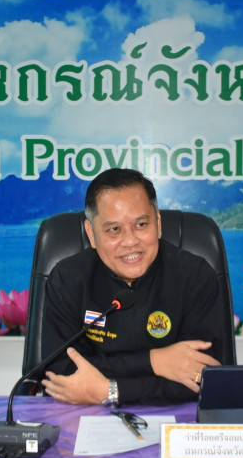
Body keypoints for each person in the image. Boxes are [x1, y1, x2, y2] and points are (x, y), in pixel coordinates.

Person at [40, 168, 226, 406]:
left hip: (176, 416)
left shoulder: (196, 276)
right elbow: (61, 374)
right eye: (114, 229)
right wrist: (155, 361)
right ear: (91, 234)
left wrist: (111, 390)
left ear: (158, 224)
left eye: (141, 224)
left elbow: (201, 375)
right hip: (84, 414)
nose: (130, 241)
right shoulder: (68, 279)